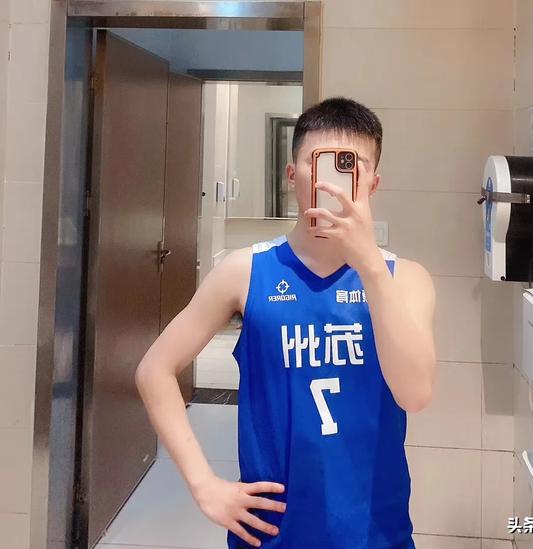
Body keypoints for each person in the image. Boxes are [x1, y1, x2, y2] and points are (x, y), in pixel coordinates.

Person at [135, 97, 437, 549]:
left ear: (372, 184)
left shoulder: (405, 278)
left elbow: (415, 395)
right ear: (292, 175)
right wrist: (204, 485)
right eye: (320, 163)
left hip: (375, 532)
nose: (332, 183)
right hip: (269, 533)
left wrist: (370, 266)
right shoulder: (244, 271)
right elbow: (154, 369)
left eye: (350, 167)